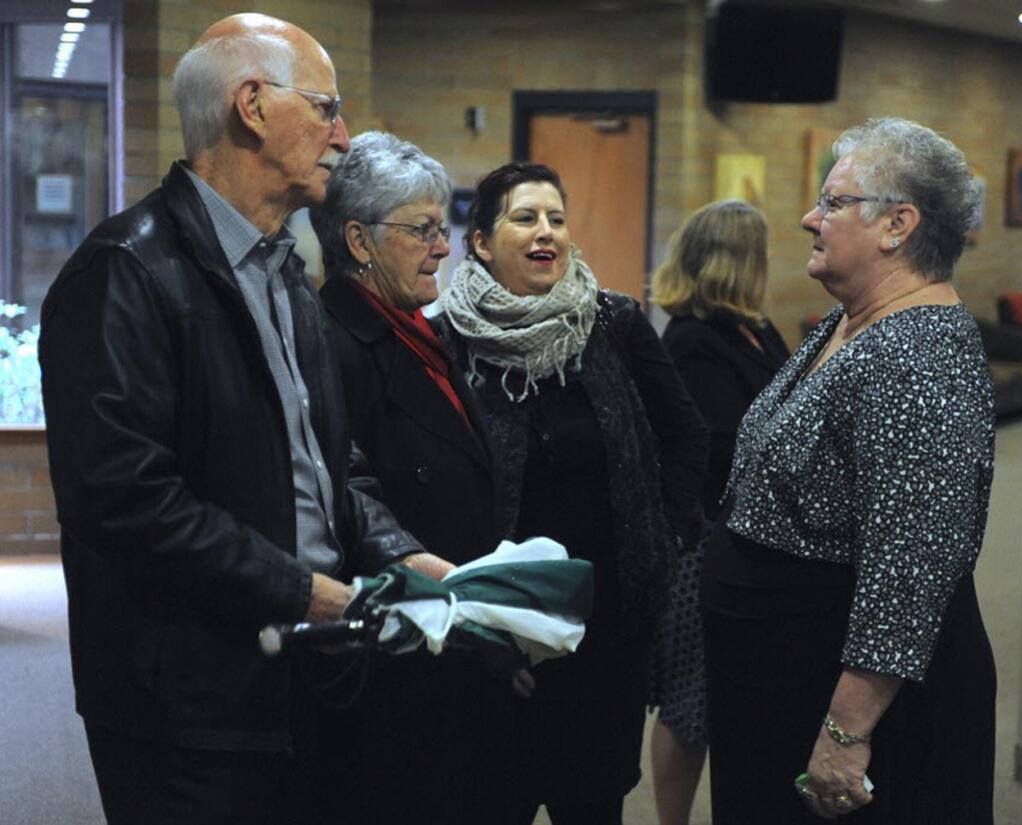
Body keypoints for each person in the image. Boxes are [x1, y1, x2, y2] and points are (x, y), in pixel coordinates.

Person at [38, 15, 450, 824]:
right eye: (325, 106)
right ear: (252, 105)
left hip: (309, 671)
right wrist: (299, 588)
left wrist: (405, 554)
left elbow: (332, 465)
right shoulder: (123, 272)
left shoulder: (286, 271)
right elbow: (126, 499)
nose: (343, 132)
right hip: (189, 702)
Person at [700, 117, 996, 824]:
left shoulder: (920, 357)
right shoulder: (853, 320)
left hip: (849, 697)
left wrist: (846, 732)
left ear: (898, 224)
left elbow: (912, 563)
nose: (810, 218)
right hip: (780, 677)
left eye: (833, 203)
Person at [436, 161, 708, 825]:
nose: (547, 232)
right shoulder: (447, 337)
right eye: (526, 217)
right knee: (492, 797)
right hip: (502, 632)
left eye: (556, 218)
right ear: (479, 242)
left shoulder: (612, 322)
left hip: (608, 626)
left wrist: (664, 537)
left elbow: (686, 433)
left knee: (592, 803)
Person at [309, 131, 510, 824]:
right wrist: (413, 559)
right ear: (359, 241)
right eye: (422, 230)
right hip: (392, 645)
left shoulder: (420, 330)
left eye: (441, 225)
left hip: (446, 628)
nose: (443, 246)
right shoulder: (330, 341)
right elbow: (339, 486)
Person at [649, 198, 789, 825]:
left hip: (750, 544)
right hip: (702, 546)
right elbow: (720, 448)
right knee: (689, 702)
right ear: (736, 261)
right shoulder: (693, 340)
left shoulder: (755, 328)